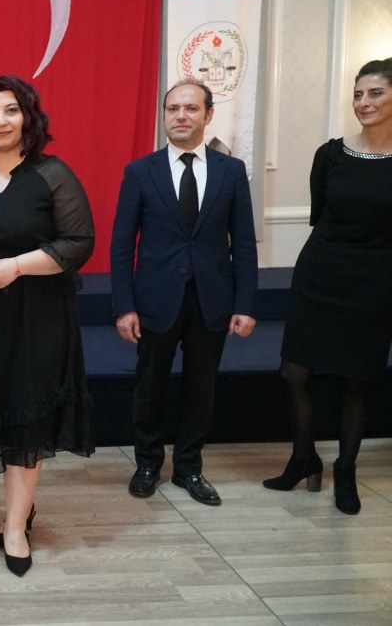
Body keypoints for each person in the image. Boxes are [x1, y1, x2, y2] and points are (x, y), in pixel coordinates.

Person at [0, 74, 95, 577]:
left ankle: (13, 525)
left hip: (39, 317)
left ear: (29, 117)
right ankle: (19, 510)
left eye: (11, 110)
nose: (1, 120)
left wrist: (17, 266)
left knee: (29, 417)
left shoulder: (53, 174)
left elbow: (78, 243)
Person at [110, 79, 258, 507]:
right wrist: (124, 306)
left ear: (208, 115)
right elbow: (122, 245)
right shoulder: (141, 171)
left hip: (212, 299)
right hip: (155, 299)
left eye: (191, 108)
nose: (180, 116)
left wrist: (245, 303)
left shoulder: (231, 171)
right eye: (172, 108)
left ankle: (189, 467)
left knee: (200, 388)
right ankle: (147, 464)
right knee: (150, 387)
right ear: (164, 115)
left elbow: (243, 242)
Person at [263, 58, 392, 515]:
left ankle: (346, 469)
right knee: (293, 371)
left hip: (375, 279)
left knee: (355, 379)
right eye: (358, 94)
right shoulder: (331, 154)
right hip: (320, 271)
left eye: (375, 93)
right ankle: (304, 457)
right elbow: (320, 215)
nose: (363, 102)